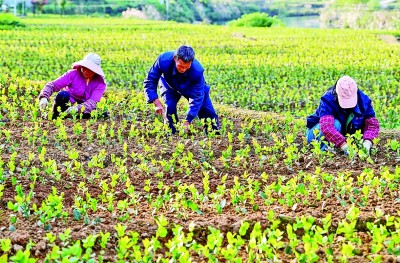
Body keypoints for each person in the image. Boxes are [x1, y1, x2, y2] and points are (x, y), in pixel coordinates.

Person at [143, 45, 219, 134]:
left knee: (207, 111)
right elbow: (150, 80)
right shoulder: (163, 60)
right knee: (169, 107)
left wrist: (188, 120)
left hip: (190, 86)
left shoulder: (197, 71)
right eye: (181, 66)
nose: (183, 69)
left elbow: (197, 97)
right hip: (169, 84)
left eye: (187, 67)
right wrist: (156, 102)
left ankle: (213, 134)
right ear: (175, 58)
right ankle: (172, 133)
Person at [306, 76, 380, 155]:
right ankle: (324, 152)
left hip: (344, 136)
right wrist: (344, 145)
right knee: (336, 124)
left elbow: (372, 124)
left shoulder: (364, 101)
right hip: (316, 133)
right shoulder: (328, 99)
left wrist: (368, 142)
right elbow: (326, 127)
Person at [38, 53, 107, 119]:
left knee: (103, 113)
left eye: (89, 69)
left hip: (84, 107)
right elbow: (53, 85)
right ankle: (56, 115)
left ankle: (74, 116)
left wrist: (77, 108)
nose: (85, 71)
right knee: (63, 95)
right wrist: (44, 97)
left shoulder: (100, 83)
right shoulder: (73, 74)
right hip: (68, 103)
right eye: (84, 67)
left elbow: (93, 101)